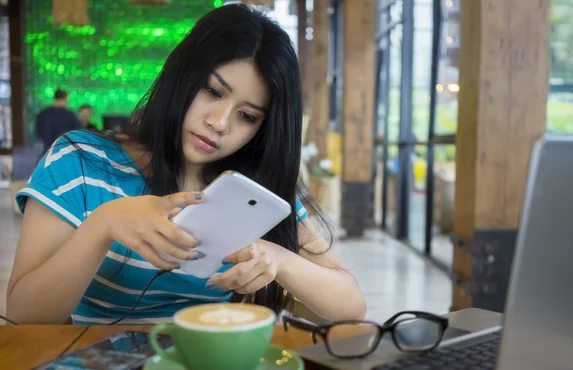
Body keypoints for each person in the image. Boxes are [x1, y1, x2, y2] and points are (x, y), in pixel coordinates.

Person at [7, 5, 366, 325]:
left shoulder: (251, 191)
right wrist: (103, 225)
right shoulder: (81, 161)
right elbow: (24, 314)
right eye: (212, 91)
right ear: (181, 76)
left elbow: (352, 305)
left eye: (247, 116)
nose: (220, 122)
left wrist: (277, 258)